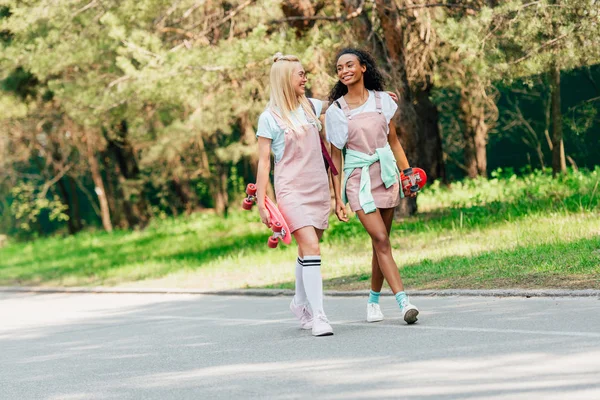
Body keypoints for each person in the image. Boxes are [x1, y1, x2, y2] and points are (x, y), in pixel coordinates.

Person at [325, 48, 420, 325]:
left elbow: (393, 141)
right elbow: (335, 156)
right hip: (358, 179)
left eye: (349, 65)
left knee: (382, 243)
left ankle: (373, 301)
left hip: (386, 174)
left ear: (364, 67)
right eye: (339, 68)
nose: (344, 71)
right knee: (380, 239)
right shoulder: (337, 110)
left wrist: (407, 174)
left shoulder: (383, 101)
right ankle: (404, 302)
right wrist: (337, 198)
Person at [255, 53, 334, 337]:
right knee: (312, 247)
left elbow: (341, 102)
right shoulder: (269, 118)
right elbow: (264, 162)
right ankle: (319, 316)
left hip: (318, 187)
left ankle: (299, 302)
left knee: (307, 249)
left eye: (304, 73)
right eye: (299, 74)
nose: (305, 78)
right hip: (290, 191)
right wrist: (264, 203)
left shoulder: (310, 106)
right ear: (285, 80)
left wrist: (376, 95)